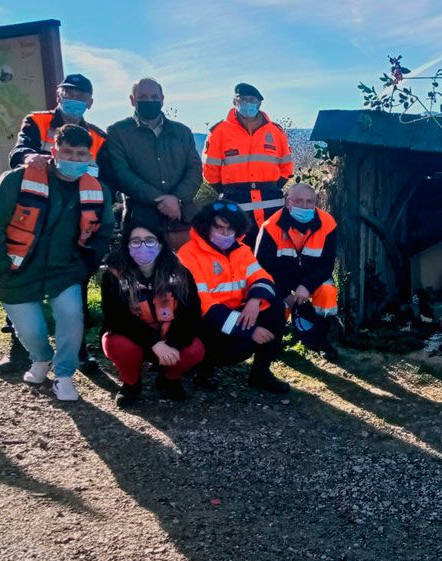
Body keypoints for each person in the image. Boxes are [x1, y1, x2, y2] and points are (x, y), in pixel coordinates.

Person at [0, 125, 116, 401]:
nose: (74, 159)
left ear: (89, 156)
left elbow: (105, 231)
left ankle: (64, 375)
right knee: (31, 330)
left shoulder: (99, 190)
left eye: (80, 154)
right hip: (14, 269)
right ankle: (40, 359)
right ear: (53, 151)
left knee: (72, 317)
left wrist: (87, 263)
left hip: (65, 270)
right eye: (67, 152)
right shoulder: (17, 179)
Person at [3, 73, 109, 376]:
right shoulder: (36, 121)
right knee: (24, 280)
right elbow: (18, 153)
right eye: (68, 92)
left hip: (77, 218)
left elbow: (106, 179)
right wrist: (32, 159)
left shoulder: (99, 137)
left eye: (81, 94)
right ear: (58, 94)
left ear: (90, 101)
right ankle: (21, 351)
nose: (74, 98)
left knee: (75, 283)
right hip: (35, 214)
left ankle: (78, 352)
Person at [177, 200, 290, 394]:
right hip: (206, 323)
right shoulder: (188, 254)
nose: (225, 234)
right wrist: (249, 330)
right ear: (206, 226)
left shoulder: (242, 250)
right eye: (219, 227)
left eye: (230, 229)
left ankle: (261, 373)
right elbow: (203, 305)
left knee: (277, 307)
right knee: (232, 345)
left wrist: (254, 301)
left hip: (238, 312)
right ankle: (203, 369)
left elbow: (263, 278)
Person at [100, 222, 205, 407]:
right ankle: (131, 384)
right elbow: (116, 318)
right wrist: (154, 343)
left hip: (169, 338)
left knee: (194, 349)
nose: (143, 246)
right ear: (126, 245)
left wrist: (172, 344)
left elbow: (192, 315)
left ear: (160, 244)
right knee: (115, 343)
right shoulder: (113, 275)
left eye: (149, 240)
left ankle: (171, 377)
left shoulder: (181, 273)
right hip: (134, 339)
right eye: (135, 241)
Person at [101, 78, 203, 252]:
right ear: (133, 99)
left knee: (190, 274)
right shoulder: (118, 132)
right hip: (141, 221)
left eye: (154, 96)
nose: (149, 100)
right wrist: (160, 200)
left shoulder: (182, 132)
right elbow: (122, 174)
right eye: (143, 96)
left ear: (162, 98)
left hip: (183, 221)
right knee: (146, 275)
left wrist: (176, 199)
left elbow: (194, 169)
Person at [254, 182, 340, 359]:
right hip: (281, 279)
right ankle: (274, 343)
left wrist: (307, 286)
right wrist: (286, 293)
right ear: (288, 202)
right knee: (275, 302)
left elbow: (327, 264)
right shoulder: (270, 226)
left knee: (327, 291)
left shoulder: (328, 223)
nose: (305, 205)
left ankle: (320, 340)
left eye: (310, 201)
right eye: (299, 201)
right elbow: (262, 269)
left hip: (312, 277)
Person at [202, 83, 293, 243]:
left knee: (274, 251)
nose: (247, 103)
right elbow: (210, 169)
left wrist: (273, 187)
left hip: (271, 202)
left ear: (259, 103)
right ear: (234, 102)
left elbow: (287, 167)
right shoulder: (220, 132)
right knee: (237, 252)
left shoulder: (276, 132)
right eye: (243, 99)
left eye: (252, 100)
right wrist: (228, 190)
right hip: (235, 203)